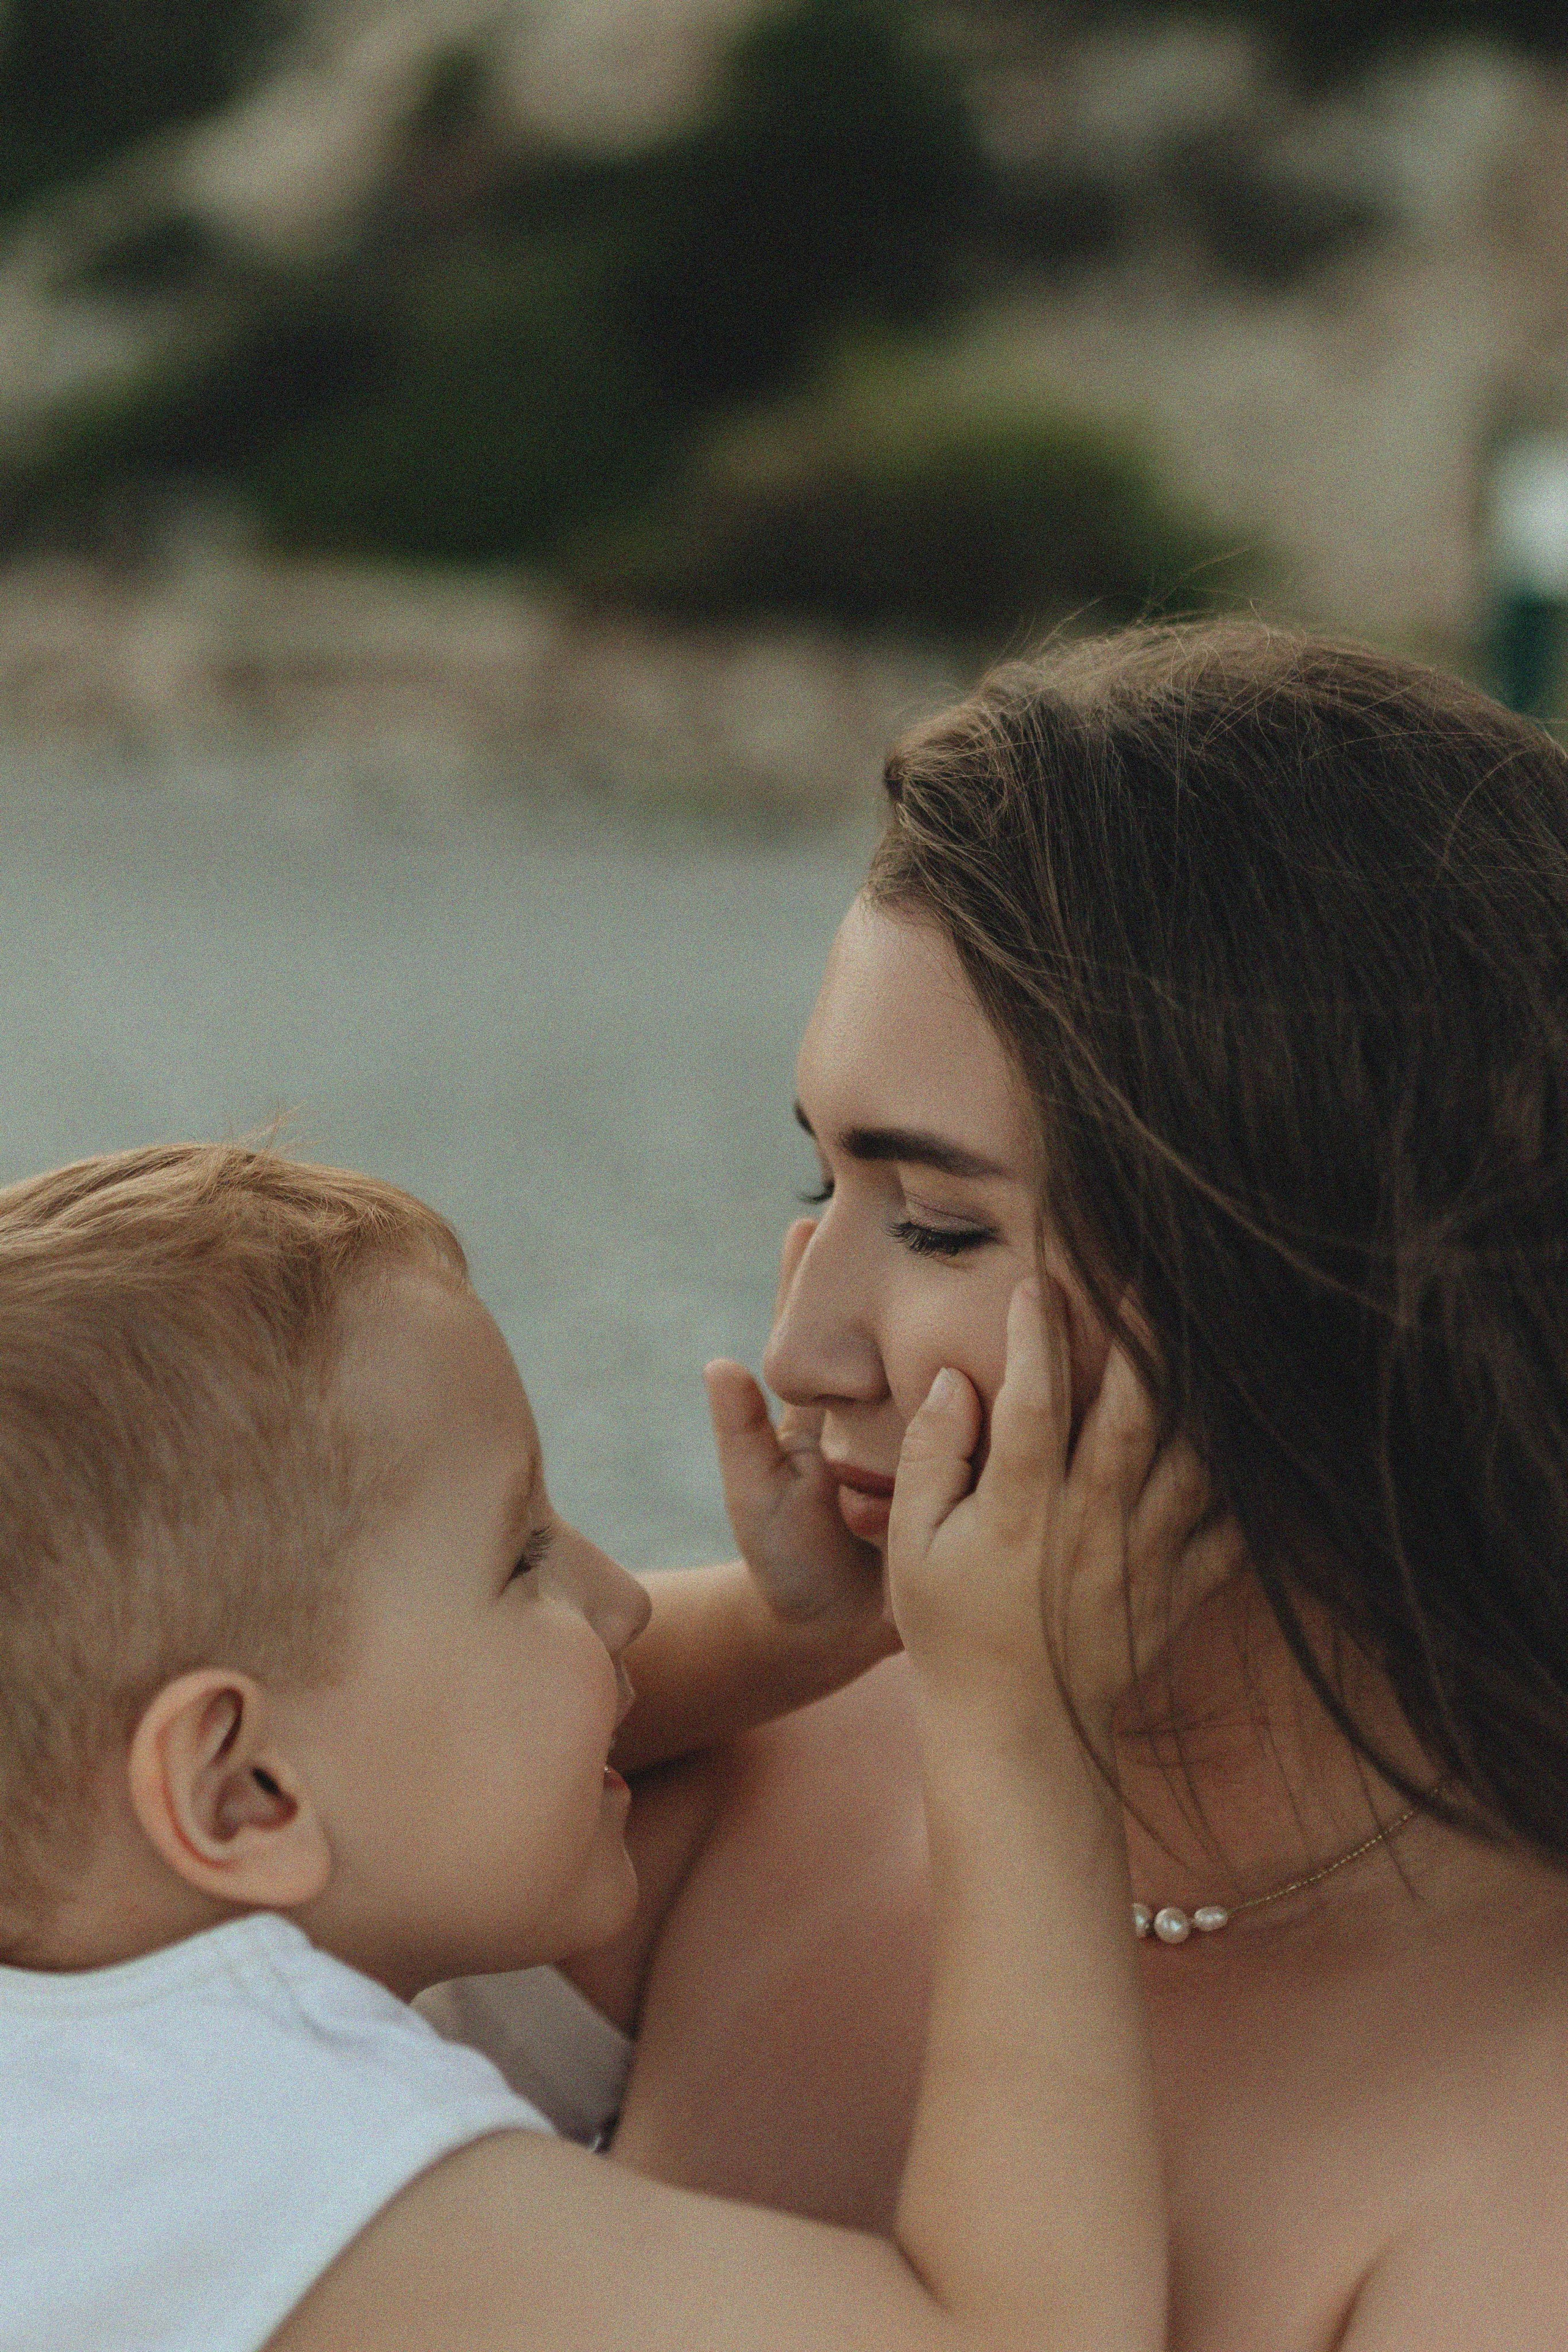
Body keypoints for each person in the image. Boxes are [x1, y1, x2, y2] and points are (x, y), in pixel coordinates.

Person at [598, 621, 1568, 2350]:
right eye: (816, 1175)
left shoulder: (1519, 2128)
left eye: (941, 1222)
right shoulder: (724, 1788)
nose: (806, 1347)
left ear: (1305, 1274)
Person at [0, 1139, 1225, 2352]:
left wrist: (783, 1635)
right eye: (521, 1556)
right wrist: (1023, 1726)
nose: (622, 1600)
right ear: (244, 1791)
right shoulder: (276, 2165)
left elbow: (446, 1747)